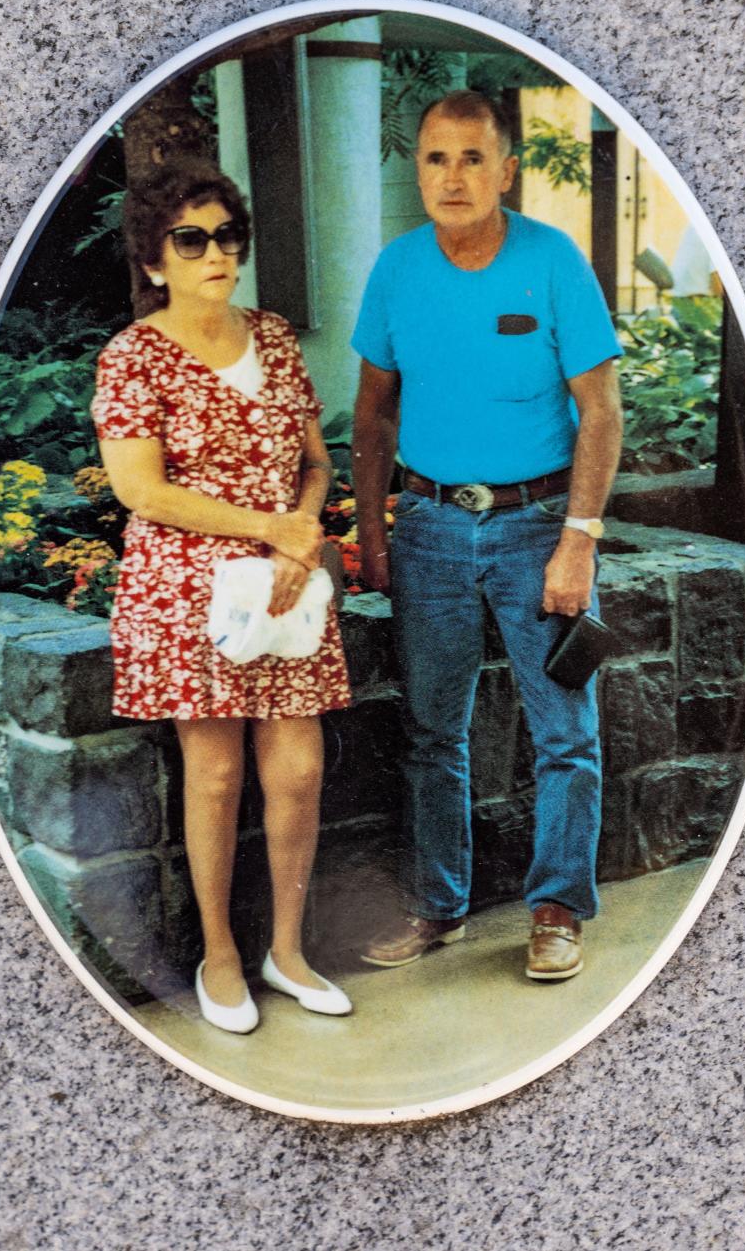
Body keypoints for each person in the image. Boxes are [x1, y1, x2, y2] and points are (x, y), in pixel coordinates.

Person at [351, 90, 623, 981]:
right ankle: (439, 906)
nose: (453, 176)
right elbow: (371, 415)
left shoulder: (553, 263)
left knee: (564, 733)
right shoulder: (395, 270)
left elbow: (601, 412)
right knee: (434, 731)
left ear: (508, 170)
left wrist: (578, 538)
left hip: (537, 526)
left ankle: (556, 910)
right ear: (417, 169)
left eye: (473, 158)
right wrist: (375, 536)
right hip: (428, 528)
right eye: (436, 158)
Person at [91, 164, 353, 1032]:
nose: (215, 253)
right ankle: (221, 956)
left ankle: (286, 949)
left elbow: (316, 464)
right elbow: (143, 491)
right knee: (212, 776)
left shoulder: (276, 340)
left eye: (226, 236)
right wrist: (268, 525)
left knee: (301, 772)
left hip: (286, 587)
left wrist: (304, 527)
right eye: (191, 238)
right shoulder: (134, 356)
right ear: (155, 260)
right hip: (186, 593)